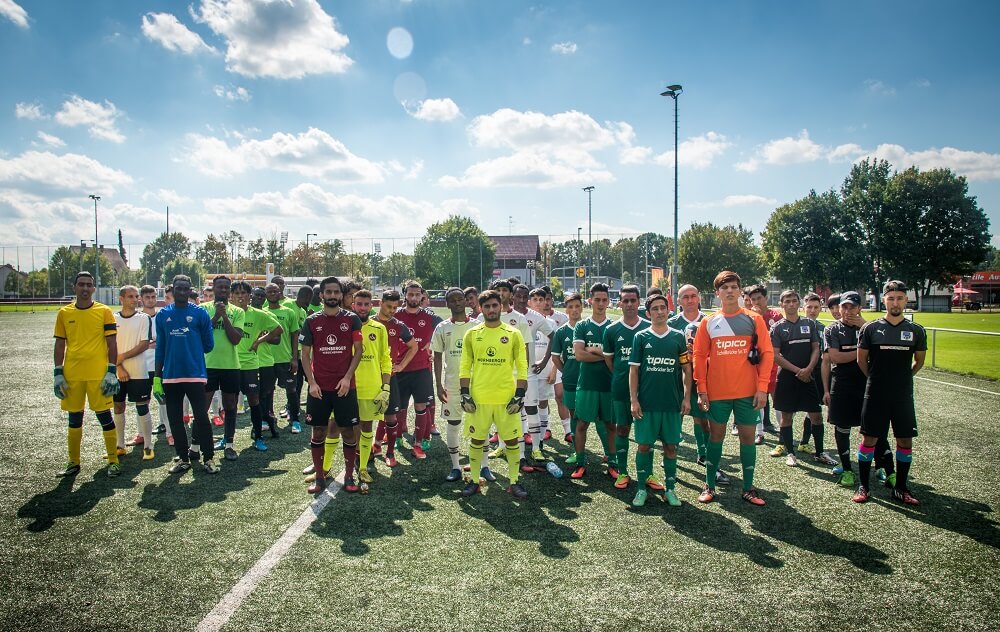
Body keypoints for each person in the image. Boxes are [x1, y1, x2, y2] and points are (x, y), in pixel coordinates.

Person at [693, 271, 774, 506]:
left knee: (748, 438)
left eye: (733, 287)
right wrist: (702, 389)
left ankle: (748, 488)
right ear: (717, 293)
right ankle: (709, 485)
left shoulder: (753, 319)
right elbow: (699, 356)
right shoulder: (709, 322)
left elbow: (767, 353)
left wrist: (761, 388)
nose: (729, 291)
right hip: (717, 393)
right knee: (716, 436)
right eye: (724, 287)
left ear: (740, 291)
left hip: (748, 392)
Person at [854, 280, 926, 505]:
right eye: (891, 298)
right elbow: (861, 360)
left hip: (902, 395)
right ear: (884, 300)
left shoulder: (916, 330)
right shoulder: (871, 328)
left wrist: (902, 380)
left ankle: (901, 488)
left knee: (905, 441)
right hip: (875, 393)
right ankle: (863, 486)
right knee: (869, 439)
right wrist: (876, 380)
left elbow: (919, 362)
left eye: (900, 298)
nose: (895, 302)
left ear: (906, 300)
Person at [458, 289, 529, 498]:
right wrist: (464, 393)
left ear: (501, 306)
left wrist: (519, 395)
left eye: (494, 305)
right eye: (486, 306)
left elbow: (522, 366)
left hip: (506, 398)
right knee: (477, 441)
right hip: (479, 398)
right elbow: (465, 366)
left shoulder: (513, 333)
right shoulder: (472, 334)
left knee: (512, 441)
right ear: (481, 309)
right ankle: (474, 481)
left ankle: (514, 481)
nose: (491, 309)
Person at [53, 271, 122, 477]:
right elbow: (59, 343)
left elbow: (112, 343)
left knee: (105, 417)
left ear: (93, 288)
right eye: (81, 284)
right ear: (74, 287)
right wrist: (58, 372)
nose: (85, 288)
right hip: (72, 374)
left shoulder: (104, 311)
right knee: (74, 418)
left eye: (89, 285)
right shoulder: (64, 313)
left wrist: (111, 371)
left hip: (98, 375)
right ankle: (73, 462)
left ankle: (113, 460)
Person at [300, 276, 365, 494]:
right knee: (318, 432)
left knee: (348, 432)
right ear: (321, 295)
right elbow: (305, 354)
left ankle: (348, 476)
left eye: (337, 292)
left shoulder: (352, 319)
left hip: (345, 387)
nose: (333, 296)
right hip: (319, 388)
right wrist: (311, 382)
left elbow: (359, 351)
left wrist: (347, 378)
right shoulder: (311, 321)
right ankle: (319, 477)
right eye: (329, 292)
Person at [629, 293, 692, 507]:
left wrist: (686, 397)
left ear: (668, 310)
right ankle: (641, 490)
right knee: (644, 446)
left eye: (662, 307)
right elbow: (634, 372)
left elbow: (686, 368)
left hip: (671, 403)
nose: (659, 311)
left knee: (671, 447)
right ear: (648, 313)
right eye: (654, 308)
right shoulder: (641, 337)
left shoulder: (677, 336)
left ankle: (671, 489)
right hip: (646, 404)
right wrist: (634, 400)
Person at [153, 275, 218, 474]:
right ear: (172, 289)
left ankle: (208, 458)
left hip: (195, 374)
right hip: (171, 375)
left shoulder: (200, 314)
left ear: (191, 291)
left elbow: (209, 346)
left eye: (186, 289)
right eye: (178, 288)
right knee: (175, 418)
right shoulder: (163, 315)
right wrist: (157, 377)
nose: (182, 292)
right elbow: (160, 348)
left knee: (201, 417)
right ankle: (183, 458)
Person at [769, 290, 835, 467]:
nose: (791, 304)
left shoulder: (809, 324)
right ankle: (790, 453)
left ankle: (820, 452)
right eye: (787, 301)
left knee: (816, 416)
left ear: (799, 303)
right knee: (786, 417)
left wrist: (809, 369)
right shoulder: (777, 328)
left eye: (794, 301)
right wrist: (799, 371)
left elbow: (816, 348)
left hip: (808, 376)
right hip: (787, 378)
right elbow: (775, 355)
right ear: (781, 305)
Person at [602, 284, 651, 491]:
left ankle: (648, 474)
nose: (630, 304)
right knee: (622, 429)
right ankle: (622, 471)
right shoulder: (611, 330)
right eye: (626, 300)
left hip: (648, 390)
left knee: (646, 435)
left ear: (639, 302)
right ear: (619, 303)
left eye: (633, 300)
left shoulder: (649, 327)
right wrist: (623, 377)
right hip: (621, 389)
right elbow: (610, 361)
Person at [823, 291, 870, 488]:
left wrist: (865, 327)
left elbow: (881, 353)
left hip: (868, 384)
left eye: (852, 307)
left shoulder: (871, 328)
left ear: (860, 308)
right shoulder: (832, 330)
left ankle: (884, 467)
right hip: (842, 384)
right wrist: (862, 353)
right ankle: (847, 468)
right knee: (842, 427)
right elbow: (835, 358)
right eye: (845, 306)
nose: (848, 311)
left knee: (871, 428)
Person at [569, 283, 616, 480]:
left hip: (608, 385)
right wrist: (606, 356)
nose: (601, 303)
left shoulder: (614, 327)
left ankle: (613, 463)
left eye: (604, 300)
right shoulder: (582, 326)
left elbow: (617, 361)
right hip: (586, 384)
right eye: (597, 299)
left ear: (608, 301)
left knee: (611, 426)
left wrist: (594, 350)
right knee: (581, 425)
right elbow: (579, 355)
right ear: (590, 300)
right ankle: (580, 462)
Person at [432, 288, 479, 482]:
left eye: (461, 299)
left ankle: (482, 466)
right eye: (454, 300)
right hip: (451, 384)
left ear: (466, 302)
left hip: (477, 384)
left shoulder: (478, 326)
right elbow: (436, 356)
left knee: (479, 424)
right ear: (447, 304)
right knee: (453, 423)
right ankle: (456, 466)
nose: (458, 302)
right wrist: (438, 385)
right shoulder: (442, 328)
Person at [231, 281, 282, 452]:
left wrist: (258, 341)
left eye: (243, 293)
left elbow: (278, 330)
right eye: (237, 293)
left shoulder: (259, 315)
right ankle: (227, 440)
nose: (240, 297)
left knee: (254, 400)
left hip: (251, 364)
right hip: (230, 364)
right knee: (230, 402)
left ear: (249, 296)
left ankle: (258, 437)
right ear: (232, 296)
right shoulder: (228, 313)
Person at [349, 289, 392, 492]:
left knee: (366, 427)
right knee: (343, 427)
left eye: (366, 304)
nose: (363, 308)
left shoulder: (379, 329)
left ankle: (363, 466)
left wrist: (385, 387)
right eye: (359, 304)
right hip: (347, 387)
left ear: (371, 306)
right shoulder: (346, 325)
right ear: (353, 304)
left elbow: (385, 359)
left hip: (371, 387)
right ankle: (342, 463)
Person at [667, 284, 712, 469]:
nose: (690, 300)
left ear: (699, 298)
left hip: (703, 377)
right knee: (675, 416)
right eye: (685, 297)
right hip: (677, 378)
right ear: (679, 300)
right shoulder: (672, 323)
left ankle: (703, 454)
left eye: (693, 296)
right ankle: (671, 453)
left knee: (702, 418)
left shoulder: (710, 321)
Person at [371, 290, 418, 468]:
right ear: (380, 303)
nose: (392, 310)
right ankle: (370, 449)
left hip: (389, 377)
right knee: (365, 418)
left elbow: (413, 346)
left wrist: (401, 366)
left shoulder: (398, 325)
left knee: (391, 417)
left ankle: (390, 452)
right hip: (368, 378)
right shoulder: (369, 322)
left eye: (395, 308)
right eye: (389, 306)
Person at [511, 283, 554, 469]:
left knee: (531, 410)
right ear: (513, 297)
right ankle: (513, 450)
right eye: (518, 296)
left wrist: (544, 362)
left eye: (524, 296)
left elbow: (554, 336)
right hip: (508, 374)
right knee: (512, 411)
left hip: (529, 374)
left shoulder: (536, 317)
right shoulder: (505, 316)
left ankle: (536, 448)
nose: (521, 299)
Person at [202, 276, 245, 461]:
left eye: (227, 288)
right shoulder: (203, 309)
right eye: (220, 287)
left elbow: (235, 339)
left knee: (230, 405)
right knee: (201, 407)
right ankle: (199, 444)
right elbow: (202, 335)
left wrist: (225, 316)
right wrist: (216, 316)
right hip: (207, 365)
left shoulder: (237, 311)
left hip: (230, 366)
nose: (224, 290)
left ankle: (228, 444)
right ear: (213, 288)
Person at [394, 281, 437, 459]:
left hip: (421, 370)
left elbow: (445, 332)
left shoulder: (431, 317)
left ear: (422, 296)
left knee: (421, 406)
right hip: (399, 370)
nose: (414, 297)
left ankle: (419, 442)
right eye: (410, 294)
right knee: (398, 407)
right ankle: (396, 436)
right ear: (405, 295)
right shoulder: (395, 316)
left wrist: (433, 346)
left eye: (417, 294)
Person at [112, 285, 154, 461]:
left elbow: (144, 344)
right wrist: (119, 366)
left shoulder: (144, 318)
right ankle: (119, 445)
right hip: (117, 373)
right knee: (118, 406)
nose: (135, 299)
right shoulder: (112, 318)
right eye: (130, 296)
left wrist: (121, 357)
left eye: (136, 296)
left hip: (139, 371)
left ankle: (148, 447)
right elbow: (108, 346)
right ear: (121, 298)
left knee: (142, 407)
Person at [535, 287, 572, 440]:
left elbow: (558, 347)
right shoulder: (529, 319)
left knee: (560, 395)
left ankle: (568, 430)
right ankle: (545, 429)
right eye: (538, 299)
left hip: (555, 365)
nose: (545, 303)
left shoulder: (559, 319)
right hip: (537, 367)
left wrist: (554, 369)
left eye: (547, 299)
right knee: (538, 399)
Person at [265, 282, 303, 434]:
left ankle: (295, 420)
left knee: (291, 390)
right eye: (270, 292)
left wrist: (294, 358)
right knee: (267, 391)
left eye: (275, 291)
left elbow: (295, 335)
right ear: (266, 294)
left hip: (285, 359)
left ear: (280, 292)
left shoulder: (289, 312)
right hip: (267, 359)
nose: (273, 294)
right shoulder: (262, 312)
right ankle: (268, 418)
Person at [551, 292, 583, 444]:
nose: (574, 310)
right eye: (571, 307)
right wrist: (566, 370)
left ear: (582, 308)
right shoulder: (561, 331)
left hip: (591, 379)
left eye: (577, 306)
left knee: (600, 417)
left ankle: (609, 454)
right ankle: (578, 452)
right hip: (571, 379)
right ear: (566, 310)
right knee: (574, 414)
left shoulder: (589, 327)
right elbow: (555, 357)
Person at [252, 287, 282, 439]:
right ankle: (258, 424)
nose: (259, 297)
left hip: (266, 362)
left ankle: (268, 420)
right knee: (253, 396)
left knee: (266, 394)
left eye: (262, 296)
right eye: (256, 294)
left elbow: (277, 339)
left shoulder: (268, 315)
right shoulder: (243, 314)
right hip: (249, 362)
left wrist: (263, 337)